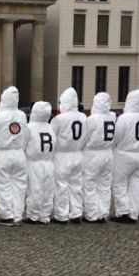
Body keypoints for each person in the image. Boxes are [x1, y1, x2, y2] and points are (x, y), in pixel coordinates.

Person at [0, 86, 28, 224]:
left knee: (4, 185)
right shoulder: (22, 116)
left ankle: (7, 215)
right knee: (20, 185)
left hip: (2, 153)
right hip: (19, 153)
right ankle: (18, 214)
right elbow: (27, 135)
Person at [112, 89, 139, 223]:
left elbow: (116, 137)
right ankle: (134, 213)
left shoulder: (124, 118)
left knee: (120, 183)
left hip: (125, 154)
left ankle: (123, 212)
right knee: (137, 184)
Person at [50, 87, 87, 223]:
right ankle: (76, 213)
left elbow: (52, 138)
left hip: (62, 155)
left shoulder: (59, 119)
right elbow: (86, 137)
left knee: (61, 186)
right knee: (76, 186)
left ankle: (62, 214)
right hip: (77, 154)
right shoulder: (83, 117)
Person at [82, 92, 116, 223]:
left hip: (93, 153)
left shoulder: (92, 119)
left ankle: (91, 214)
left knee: (89, 184)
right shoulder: (112, 116)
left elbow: (86, 136)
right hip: (108, 153)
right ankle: (102, 213)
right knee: (104, 186)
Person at [24, 101, 55, 224]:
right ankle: (45, 215)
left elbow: (24, 143)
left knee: (34, 189)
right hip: (48, 162)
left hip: (34, 162)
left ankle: (33, 215)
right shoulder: (50, 127)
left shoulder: (30, 127)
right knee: (48, 190)